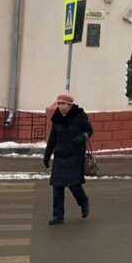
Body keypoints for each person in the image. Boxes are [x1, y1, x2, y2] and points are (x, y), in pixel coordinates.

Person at [44, 93, 94, 225]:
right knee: (57, 187)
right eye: (59, 104)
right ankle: (57, 216)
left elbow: (89, 131)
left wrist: (82, 137)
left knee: (74, 184)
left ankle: (83, 201)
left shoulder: (79, 116)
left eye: (63, 104)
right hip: (60, 155)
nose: (60, 106)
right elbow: (52, 138)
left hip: (74, 155)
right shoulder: (57, 118)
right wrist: (47, 155)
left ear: (70, 105)